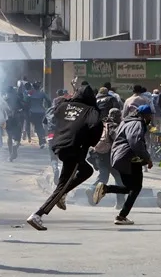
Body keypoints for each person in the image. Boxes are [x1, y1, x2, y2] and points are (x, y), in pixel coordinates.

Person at [26, 84, 103, 231]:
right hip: (74, 149)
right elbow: (96, 126)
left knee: (86, 170)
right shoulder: (91, 111)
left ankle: (63, 194)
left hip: (58, 145)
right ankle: (37, 214)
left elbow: (51, 117)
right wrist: (90, 143)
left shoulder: (63, 106)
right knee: (61, 185)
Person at [91, 105, 152, 224]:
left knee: (130, 188)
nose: (150, 118)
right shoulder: (137, 123)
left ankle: (106, 188)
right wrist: (147, 158)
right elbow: (135, 142)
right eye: (150, 115)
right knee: (136, 187)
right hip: (130, 157)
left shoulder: (125, 122)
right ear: (144, 115)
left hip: (118, 157)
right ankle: (121, 216)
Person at [86, 108, 125, 210]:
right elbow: (117, 139)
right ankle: (120, 203)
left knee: (103, 176)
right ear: (117, 116)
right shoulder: (114, 126)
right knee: (118, 178)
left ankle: (92, 188)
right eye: (119, 116)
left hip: (98, 153)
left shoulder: (101, 124)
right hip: (110, 156)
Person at [26, 83, 50, 147]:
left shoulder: (30, 93)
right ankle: (42, 139)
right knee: (39, 125)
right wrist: (48, 107)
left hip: (32, 111)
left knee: (37, 125)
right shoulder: (42, 93)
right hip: (41, 111)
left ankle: (41, 141)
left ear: (33, 87)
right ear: (39, 87)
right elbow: (49, 100)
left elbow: (26, 101)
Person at [4, 86, 24, 162]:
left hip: (8, 119)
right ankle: (15, 145)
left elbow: (2, 109)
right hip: (16, 118)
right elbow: (23, 106)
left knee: (9, 136)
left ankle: (10, 154)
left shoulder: (5, 98)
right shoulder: (17, 97)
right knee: (18, 136)